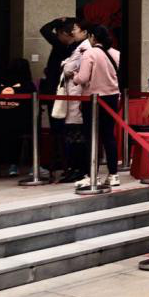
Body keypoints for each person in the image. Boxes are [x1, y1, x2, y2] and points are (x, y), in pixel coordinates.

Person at [73, 25, 121, 188]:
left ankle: (92, 174)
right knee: (109, 136)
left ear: (93, 36)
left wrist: (74, 76)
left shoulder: (90, 53)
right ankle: (113, 174)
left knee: (91, 136)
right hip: (112, 97)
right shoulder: (115, 53)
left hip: (93, 98)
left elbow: (83, 78)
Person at [39, 17, 79, 176]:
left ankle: (61, 160)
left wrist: (58, 20)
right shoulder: (74, 47)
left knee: (58, 128)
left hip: (57, 91)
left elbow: (44, 30)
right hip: (63, 91)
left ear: (65, 34)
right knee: (62, 129)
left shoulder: (61, 45)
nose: (56, 36)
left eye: (58, 33)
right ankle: (63, 160)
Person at [58, 23, 90, 183]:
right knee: (73, 134)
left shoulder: (85, 48)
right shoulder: (78, 47)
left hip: (78, 95)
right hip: (73, 95)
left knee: (77, 135)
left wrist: (65, 65)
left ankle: (79, 169)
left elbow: (69, 68)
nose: (73, 32)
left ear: (85, 32)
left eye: (76, 29)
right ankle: (74, 167)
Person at [0, 58, 35, 177]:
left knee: (12, 133)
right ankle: (34, 166)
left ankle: (13, 165)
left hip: (0, 124)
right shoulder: (28, 85)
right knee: (33, 130)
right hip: (23, 124)